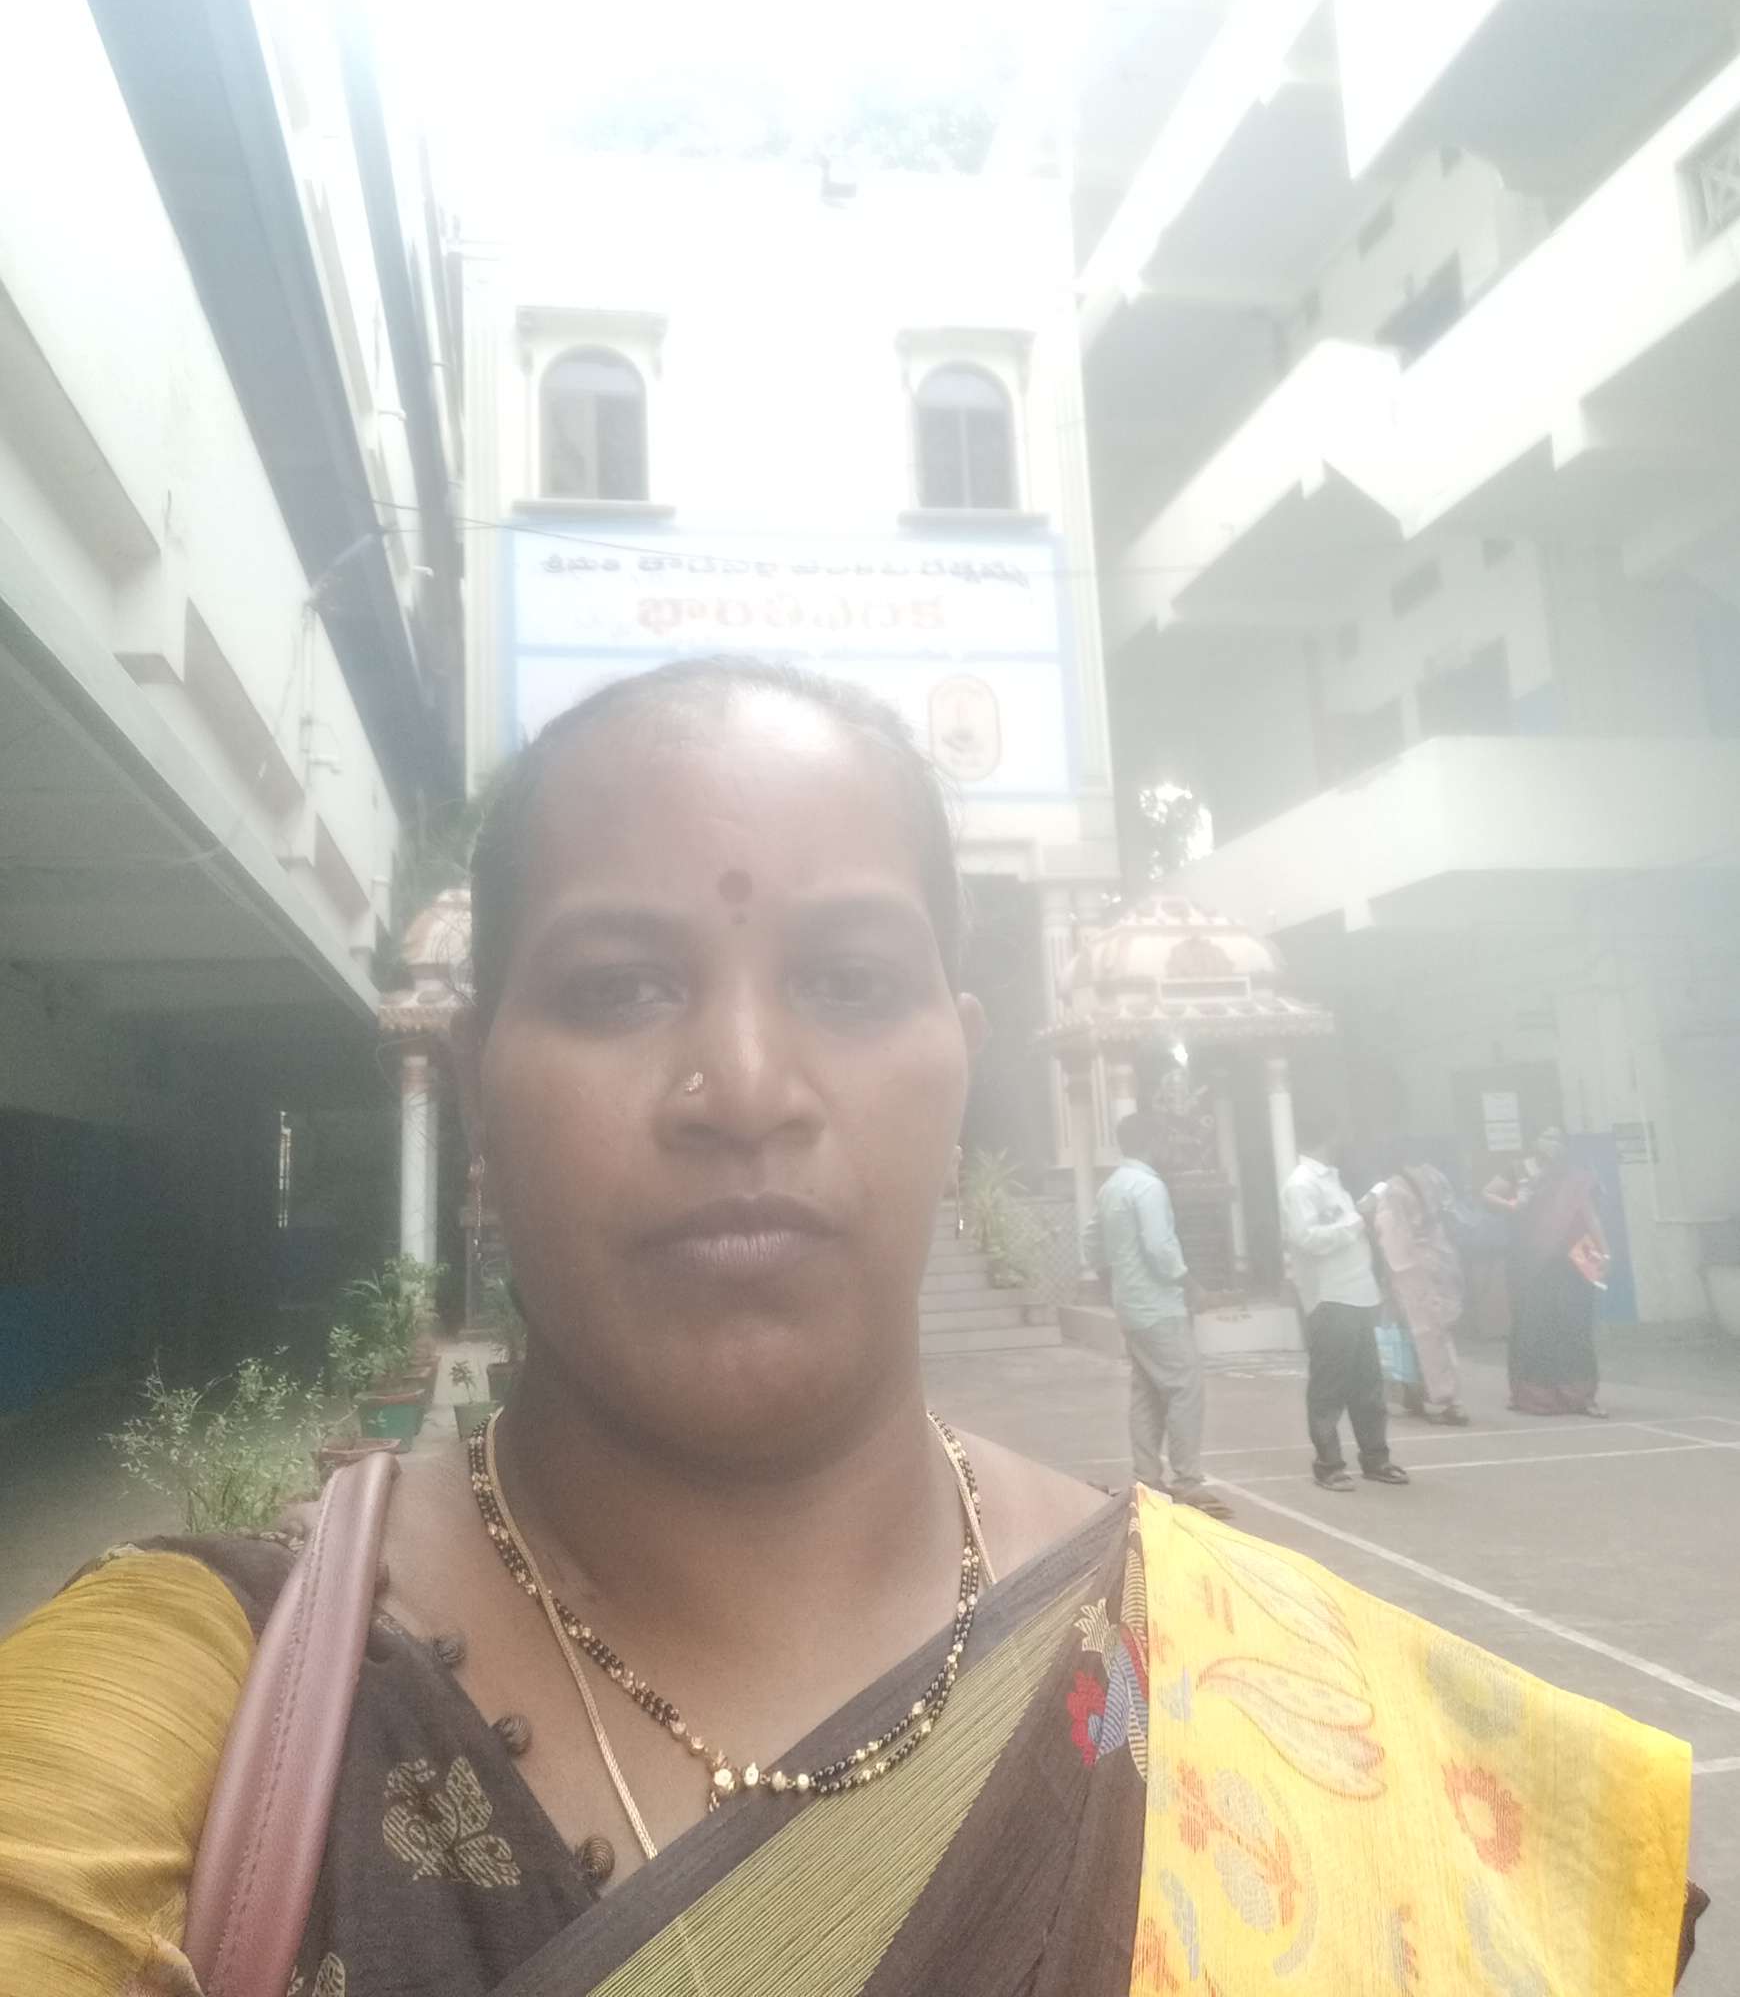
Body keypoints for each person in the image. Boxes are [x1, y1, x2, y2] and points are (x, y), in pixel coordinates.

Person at [0, 659, 1703, 1993]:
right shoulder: (207, 1714)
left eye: (849, 981)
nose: (746, 1086)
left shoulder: (1256, 1685)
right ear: (479, 1101)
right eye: (618, 987)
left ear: (960, 1069)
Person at [1092, 1110, 1231, 1520]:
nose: (1171, 1147)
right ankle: (1187, 1480)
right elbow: (1159, 1247)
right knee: (1185, 1386)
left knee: (1146, 1392)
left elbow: (1091, 1240)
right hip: (1158, 1305)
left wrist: (1111, 1281)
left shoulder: (1111, 1187)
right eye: (1166, 1140)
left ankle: (1147, 1478)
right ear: (1152, 1142)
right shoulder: (1149, 1187)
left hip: (1130, 1304)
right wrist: (1191, 1286)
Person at [1281, 1118, 1410, 1492]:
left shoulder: (1332, 1180)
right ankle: (1328, 1464)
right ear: (1328, 1136)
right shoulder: (1301, 1185)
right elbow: (1308, 1239)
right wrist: (1358, 1219)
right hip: (1330, 1296)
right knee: (1329, 1385)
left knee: (1367, 1382)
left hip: (1358, 1292)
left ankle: (1375, 1457)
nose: (1347, 1141)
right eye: (1341, 1134)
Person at [1496, 1126, 1610, 1417]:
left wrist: (1604, 1252)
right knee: (1533, 1325)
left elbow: (1590, 1216)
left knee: (1575, 1326)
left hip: (1578, 1258)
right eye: (1546, 1137)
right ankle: (1533, 1396)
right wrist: (1513, 1204)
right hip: (1532, 1260)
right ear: (1534, 1140)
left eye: (1558, 1139)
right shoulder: (1518, 1171)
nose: (1552, 1144)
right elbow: (1489, 1196)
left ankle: (1581, 1396)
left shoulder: (1577, 1177)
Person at [1369, 1162, 1469, 1426]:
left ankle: (1443, 1399)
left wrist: (1390, 1272)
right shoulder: (1434, 1175)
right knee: (1437, 1332)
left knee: (1420, 1333)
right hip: (1441, 1257)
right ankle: (1426, 1395)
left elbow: (1391, 1235)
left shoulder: (1391, 1188)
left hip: (1411, 1264)